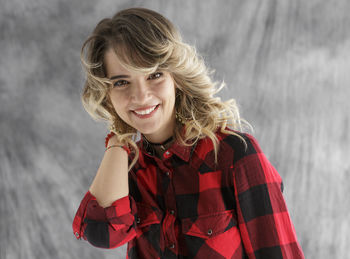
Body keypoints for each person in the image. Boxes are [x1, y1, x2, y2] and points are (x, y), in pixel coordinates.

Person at [72, 7, 304, 259]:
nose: (140, 96)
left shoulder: (234, 155)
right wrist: (117, 140)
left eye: (155, 75)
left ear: (177, 78)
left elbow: (279, 253)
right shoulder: (126, 167)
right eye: (121, 82)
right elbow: (103, 234)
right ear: (107, 94)